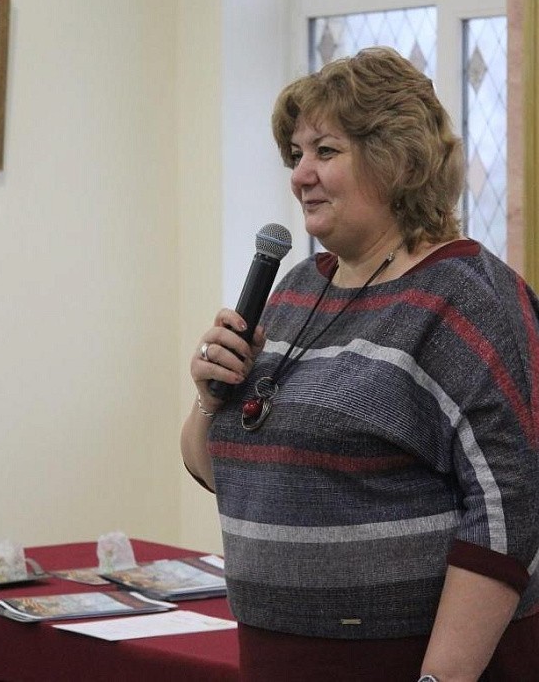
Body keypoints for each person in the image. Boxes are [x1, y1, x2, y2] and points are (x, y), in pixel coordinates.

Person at [180, 46, 539, 682]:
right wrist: (210, 400)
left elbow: (510, 505)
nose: (300, 175)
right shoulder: (295, 289)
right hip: (279, 656)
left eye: (325, 151)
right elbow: (231, 472)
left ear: (397, 160)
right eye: (295, 154)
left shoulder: (469, 296)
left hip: (413, 662)